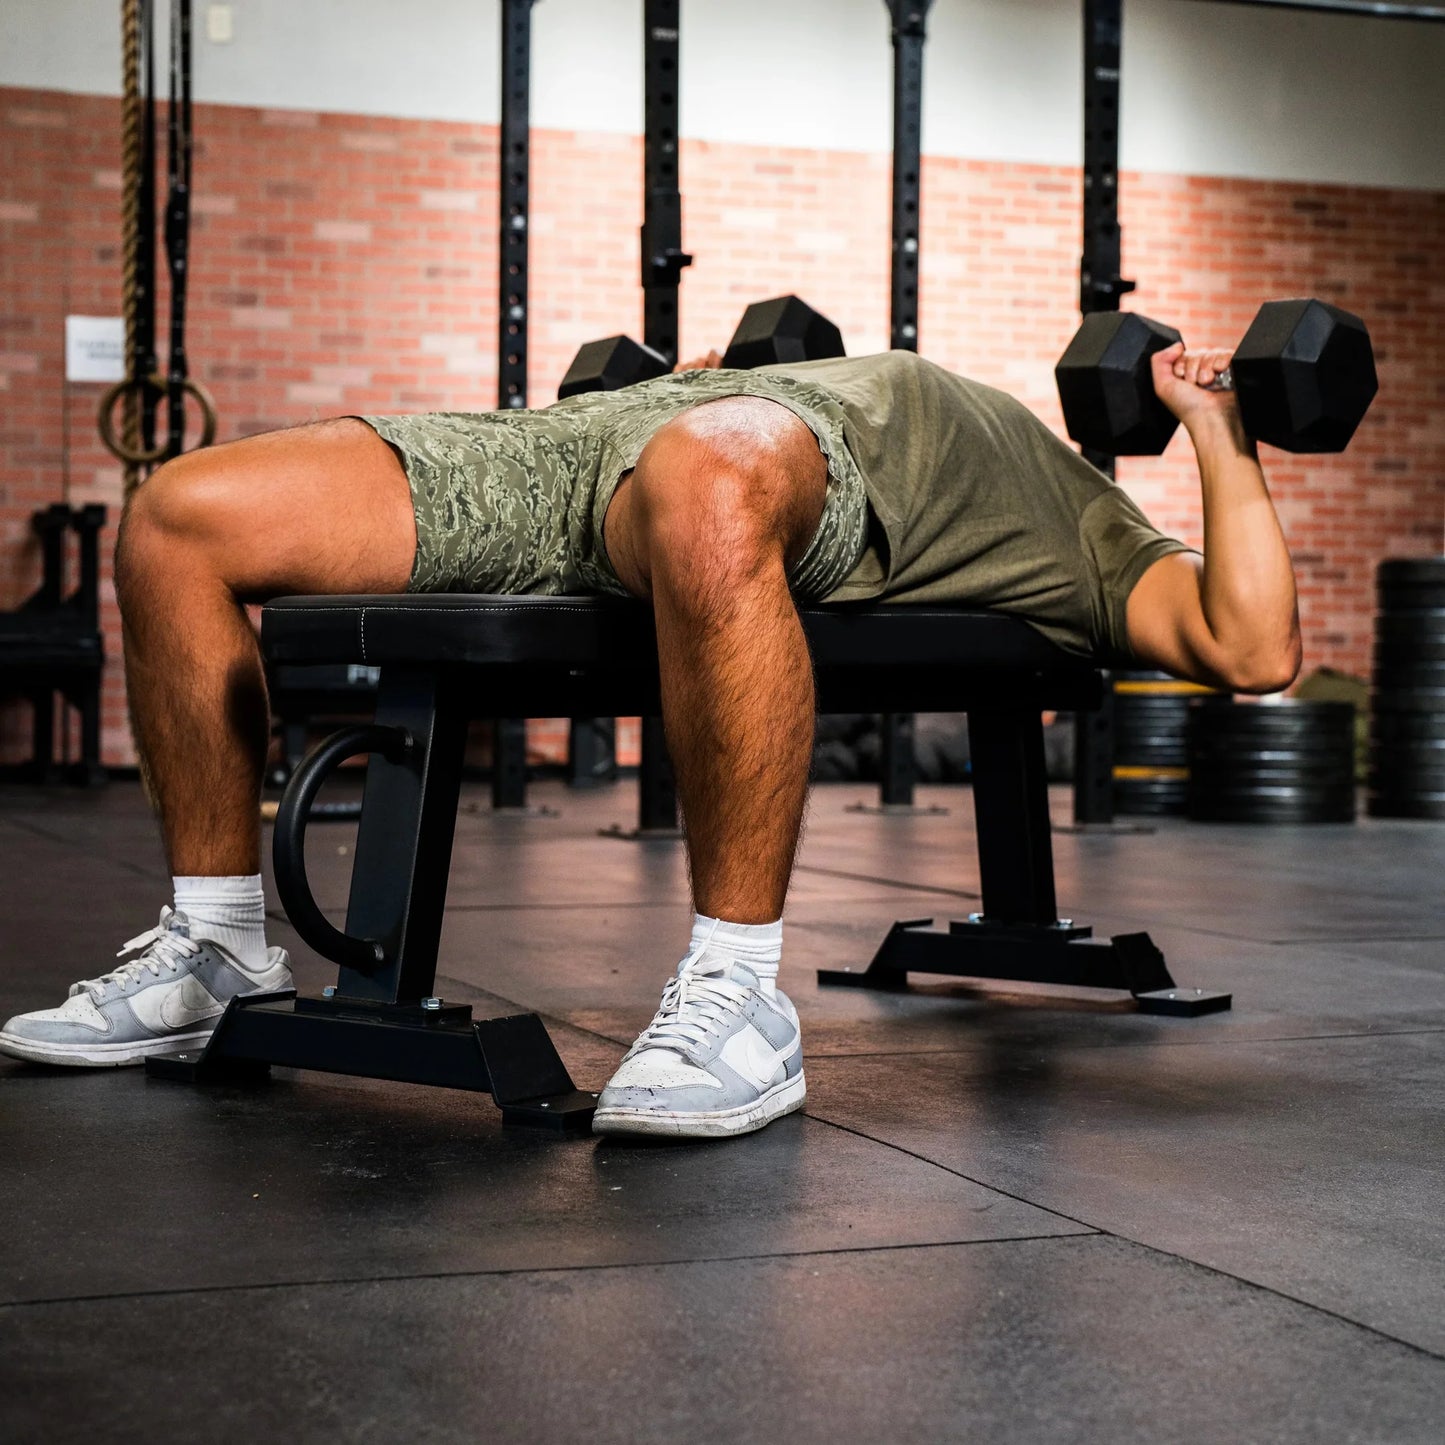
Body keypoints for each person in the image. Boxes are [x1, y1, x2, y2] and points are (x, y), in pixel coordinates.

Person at [0, 342, 1301, 1136]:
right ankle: (216, 951)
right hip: (610, 435)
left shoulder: (1088, 535)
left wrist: (1216, 434)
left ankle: (736, 995)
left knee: (705, 478)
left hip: (749, 463)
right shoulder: (745, 395)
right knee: (177, 514)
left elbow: (1251, 644)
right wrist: (693, 385)